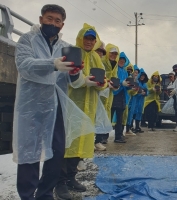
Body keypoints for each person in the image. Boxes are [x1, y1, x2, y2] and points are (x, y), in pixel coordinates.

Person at [13, 4, 90, 200]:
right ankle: (27, 195)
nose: (53, 23)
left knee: (56, 151)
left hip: (55, 106)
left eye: (57, 21)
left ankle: (45, 193)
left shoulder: (64, 47)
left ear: (62, 24)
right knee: (29, 151)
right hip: (31, 106)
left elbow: (73, 80)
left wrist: (74, 73)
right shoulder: (27, 40)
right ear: (41, 19)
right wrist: (53, 64)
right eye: (49, 18)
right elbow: (24, 66)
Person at [55, 23, 108, 200]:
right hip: (72, 104)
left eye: (92, 39)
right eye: (87, 37)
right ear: (80, 38)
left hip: (88, 106)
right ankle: (59, 182)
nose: (89, 41)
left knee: (80, 142)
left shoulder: (96, 58)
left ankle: (71, 177)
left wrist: (101, 84)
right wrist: (85, 81)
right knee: (67, 143)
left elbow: (104, 79)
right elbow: (67, 77)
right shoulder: (72, 52)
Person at [96, 43, 120, 144]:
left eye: (115, 54)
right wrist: (106, 83)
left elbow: (115, 77)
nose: (113, 56)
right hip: (100, 92)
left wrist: (116, 85)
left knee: (105, 115)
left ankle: (101, 139)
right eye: (111, 53)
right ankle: (97, 140)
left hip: (108, 94)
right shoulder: (101, 62)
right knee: (97, 115)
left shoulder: (115, 66)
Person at [111, 52, 132, 143]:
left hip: (122, 96)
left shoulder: (125, 71)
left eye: (123, 60)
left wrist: (129, 85)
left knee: (120, 117)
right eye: (120, 60)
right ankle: (102, 137)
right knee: (109, 116)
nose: (122, 62)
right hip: (113, 95)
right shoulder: (114, 69)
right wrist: (121, 83)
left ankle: (118, 136)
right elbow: (112, 80)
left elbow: (127, 85)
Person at [132, 68, 149, 133]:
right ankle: (131, 126)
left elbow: (147, 91)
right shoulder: (137, 82)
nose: (142, 77)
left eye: (143, 76)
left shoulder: (144, 84)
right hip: (136, 100)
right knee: (133, 113)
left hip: (141, 100)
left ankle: (137, 127)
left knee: (139, 113)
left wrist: (145, 93)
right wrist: (140, 93)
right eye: (141, 76)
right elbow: (134, 91)